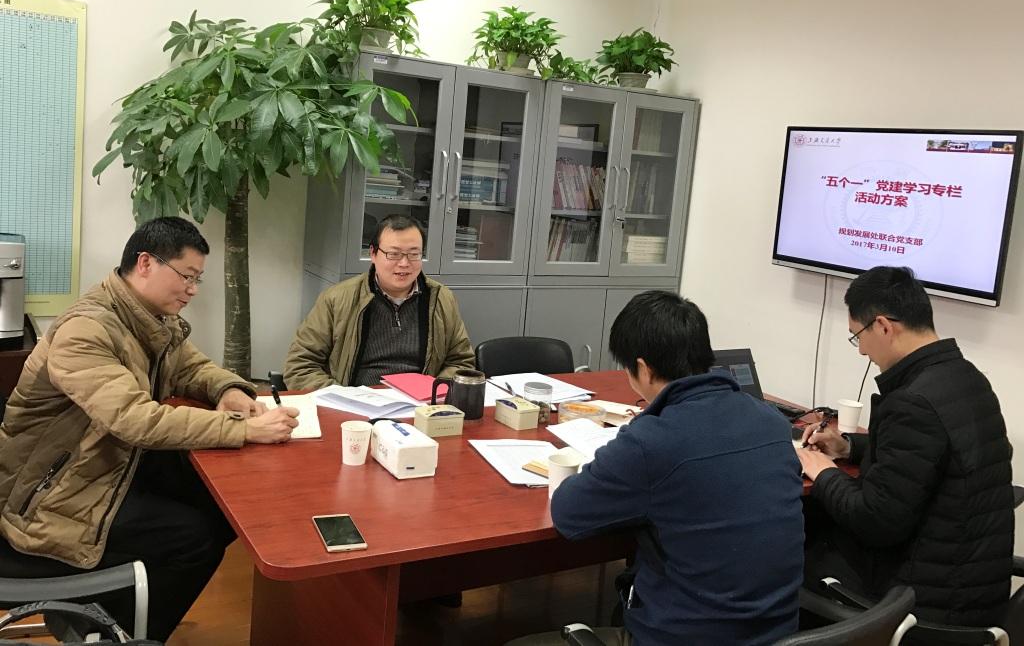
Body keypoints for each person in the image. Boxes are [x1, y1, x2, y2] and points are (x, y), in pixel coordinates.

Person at [0, 217, 298, 641]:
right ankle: (115, 633)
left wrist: (229, 389)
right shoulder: (86, 330)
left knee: (223, 505)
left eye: (197, 279)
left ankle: (109, 613)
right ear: (145, 263)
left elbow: (191, 367)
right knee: (192, 539)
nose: (193, 290)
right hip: (48, 498)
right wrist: (244, 429)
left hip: (101, 463)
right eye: (187, 276)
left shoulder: (149, 316)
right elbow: (134, 419)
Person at [509, 291, 804, 646]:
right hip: (780, 634)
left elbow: (568, 514)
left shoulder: (651, 440)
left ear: (644, 368)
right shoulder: (771, 421)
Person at [797, 265, 1013, 626]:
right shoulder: (965, 377)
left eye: (857, 336)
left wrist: (823, 473)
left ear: (883, 326)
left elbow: (875, 522)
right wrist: (848, 448)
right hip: (970, 586)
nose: (861, 350)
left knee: (789, 549)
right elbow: (930, 455)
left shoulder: (913, 401)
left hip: (924, 604)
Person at [284, 214, 475, 389]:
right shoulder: (337, 299)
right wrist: (342, 397)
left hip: (420, 405)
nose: (404, 263)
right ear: (373, 254)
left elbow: (461, 362)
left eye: (414, 254)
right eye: (394, 254)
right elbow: (300, 366)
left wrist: (434, 392)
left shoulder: (441, 298)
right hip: (354, 403)